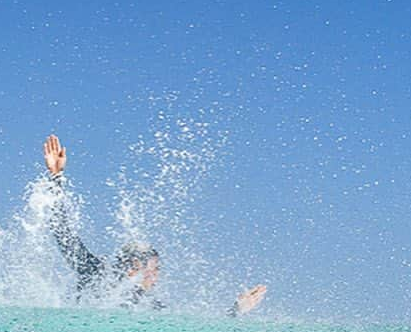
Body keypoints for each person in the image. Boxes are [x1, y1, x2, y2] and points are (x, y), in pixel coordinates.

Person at [42, 134, 267, 315]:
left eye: (157, 270)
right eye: (150, 270)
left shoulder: (150, 308)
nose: (155, 277)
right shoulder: (95, 273)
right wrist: (56, 177)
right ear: (130, 267)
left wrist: (236, 310)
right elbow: (62, 232)